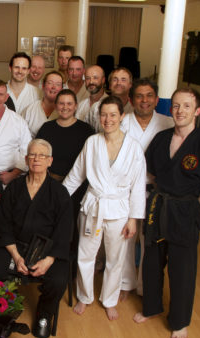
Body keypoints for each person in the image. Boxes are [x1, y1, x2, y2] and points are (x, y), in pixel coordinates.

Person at [133, 88, 200, 338]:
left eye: (186, 106)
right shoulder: (161, 139)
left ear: (197, 111)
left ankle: (180, 321)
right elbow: (148, 173)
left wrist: (193, 210)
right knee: (151, 262)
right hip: (159, 205)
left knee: (182, 269)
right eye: (175, 106)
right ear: (170, 109)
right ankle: (150, 307)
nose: (180, 111)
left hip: (185, 211)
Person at [63, 96, 146, 321]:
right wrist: (58, 200)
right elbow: (76, 175)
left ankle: (109, 300)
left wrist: (133, 219)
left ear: (122, 116)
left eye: (112, 114)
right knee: (86, 254)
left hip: (119, 208)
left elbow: (138, 186)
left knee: (115, 257)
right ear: (98, 117)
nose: (107, 119)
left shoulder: (134, 148)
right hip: (93, 205)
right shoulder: (92, 142)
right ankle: (85, 296)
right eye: (103, 114)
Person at [0, 139, 73, 338]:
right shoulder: (14, 187)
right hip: (15, 247)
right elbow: (3, 224)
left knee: (58, 279)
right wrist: (15, 256)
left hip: (47, 251)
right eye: (32, 155)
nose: (36, 159)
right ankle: (0, 313)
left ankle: (44, 314)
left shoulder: (59, 193)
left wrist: (49, 259)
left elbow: (64, 231)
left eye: (42, 156)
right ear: (26, 159)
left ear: (50, 161)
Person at [119, 78, 173, 299]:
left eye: (149, 95)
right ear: (131, 100)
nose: (144, 100)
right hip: (127, 189)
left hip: (155, 189)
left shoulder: (168, 123)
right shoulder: (122, 122)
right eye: (139, 96)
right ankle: (125, 283)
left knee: (149, 240)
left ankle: (144, 287)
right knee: (126, 239)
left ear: (157, 99)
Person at [36, 89, 95, 279]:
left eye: (69, 103)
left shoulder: (86, 131)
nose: (65, 107)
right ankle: (44, 261)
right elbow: (38, 157)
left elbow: (89, 164)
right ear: (56, 105)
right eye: (61, 103)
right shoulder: (47, 128)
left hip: (77, 188)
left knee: (72, 228)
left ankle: (68, 269)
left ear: (76, 106)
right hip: (49, 185)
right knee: (48, 225)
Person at [21, 71, 63, 137]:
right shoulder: (29, 110)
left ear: (61, 89)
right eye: (50, 83)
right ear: (43, 86)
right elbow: (20, 136)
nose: (54, 87)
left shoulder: (65, 111)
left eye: (58, 84)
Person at [76, 65, 108, 132]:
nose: (91, 82)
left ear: (103, 80)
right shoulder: (81, 105)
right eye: (88, 78)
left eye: (95, 78)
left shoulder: (110, 104)